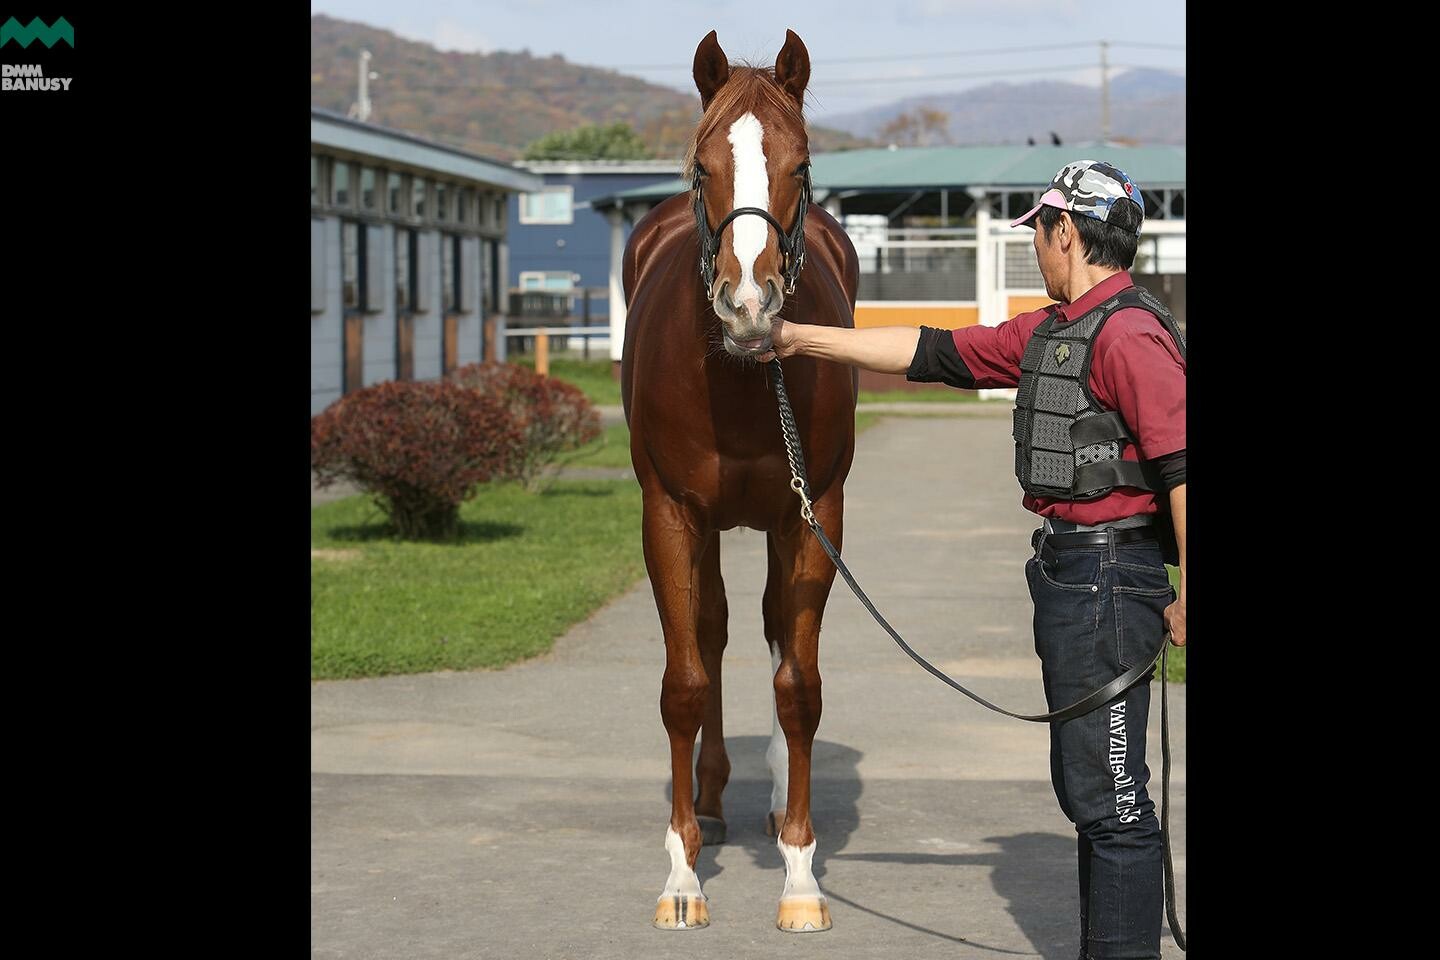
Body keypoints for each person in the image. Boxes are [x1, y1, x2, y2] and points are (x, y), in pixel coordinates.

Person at [762, 159, 1186, 960]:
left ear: (1070, 231)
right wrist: (793, 337)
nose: (1038, 249)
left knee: (1117, 802)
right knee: (1091, 790)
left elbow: (1182, 462)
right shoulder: (1055, 330)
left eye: (1042, 233)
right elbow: (932, 351)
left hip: (1110, 579)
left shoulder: (1129, 331)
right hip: (1069, 578)